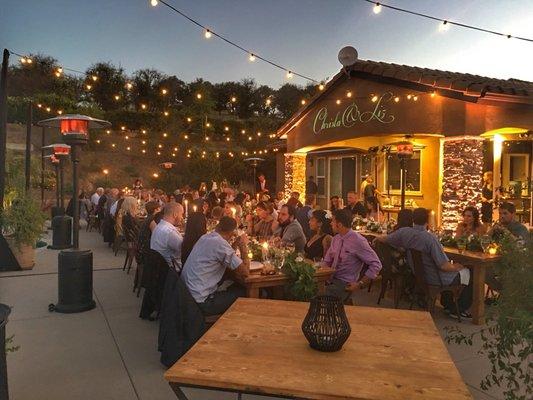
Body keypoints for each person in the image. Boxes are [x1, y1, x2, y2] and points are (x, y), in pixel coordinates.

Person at [379, 208, 472, 318]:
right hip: (435, 277)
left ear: (413, 219)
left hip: (418, 274)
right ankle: (459, 308)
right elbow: (444, 265)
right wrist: (457, 267)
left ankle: (448, 305)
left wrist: (377, 240)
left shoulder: (404, 232)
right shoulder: (430, 239)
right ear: (427, 220)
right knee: (469, 271)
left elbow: (385, 239)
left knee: (456, 271)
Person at [181, 216, 250, 316]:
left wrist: (235, 243)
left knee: (231, 283)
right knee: (245, 292)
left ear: (218, 226)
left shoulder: (205, 237)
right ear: (232, 233)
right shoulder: (220, 244)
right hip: (201, 302)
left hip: (187, 296)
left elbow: (226, 254)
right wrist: (243, 246)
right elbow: (245, 273)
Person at [321, 209, 382, 301]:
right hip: (330, 279)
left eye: (333, 221)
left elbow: (376, 264)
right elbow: (327, 261)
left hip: (344, 283)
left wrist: (360, 283)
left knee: (317, 298)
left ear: (340, 224)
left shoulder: (358, 241)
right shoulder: (336, 239)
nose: (330, 223)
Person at [150, 202, 184, 268]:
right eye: (181, 214)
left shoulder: (159, 226)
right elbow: (184, 249)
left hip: (157, 267)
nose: (182, 217)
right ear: (175, 214)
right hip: (171, 271)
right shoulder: (170, 232)